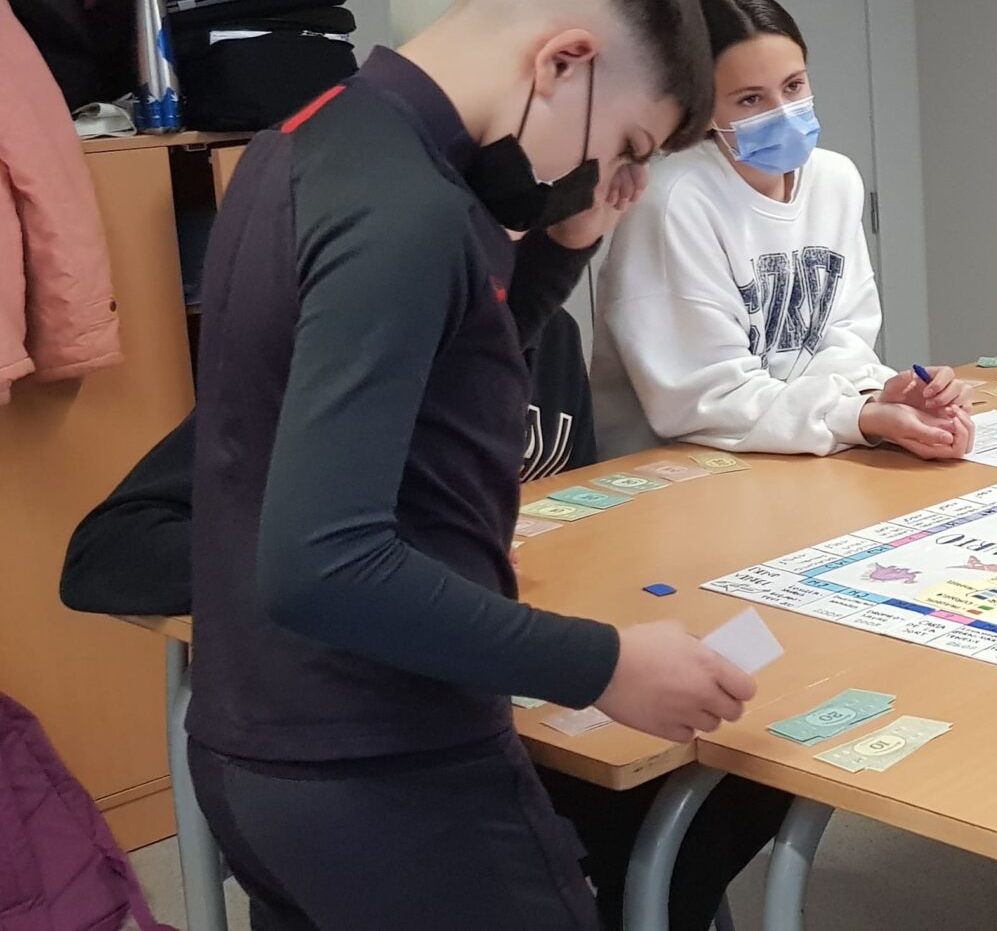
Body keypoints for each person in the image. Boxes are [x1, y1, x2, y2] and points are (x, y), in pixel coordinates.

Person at [184, 0, 756, 931]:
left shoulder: (310, 142)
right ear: (564, 62)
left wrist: (565, 248)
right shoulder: (412, 211)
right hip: (385, 765)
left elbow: (443, 374)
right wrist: (604, 664)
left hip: (263, 748)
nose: (602, 174)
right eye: (623, 143)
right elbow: (322, 564)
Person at [61, 311, 792, 931]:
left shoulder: (550, 334)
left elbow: (572, 525)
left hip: (517, 677)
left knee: (749, 761)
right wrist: (370, 557)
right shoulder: (349, 352)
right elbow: (106, 552)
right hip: (386, 742)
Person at [590, 0, 968, 460]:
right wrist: (857, 416)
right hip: (677, 469)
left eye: (793, 86)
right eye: (750, 99)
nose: (783, 113)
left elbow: (844, 340)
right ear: (700, 109)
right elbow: (705, 399)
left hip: (801, 453)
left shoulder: (835, 180)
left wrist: (882, 397)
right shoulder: (674, 202)